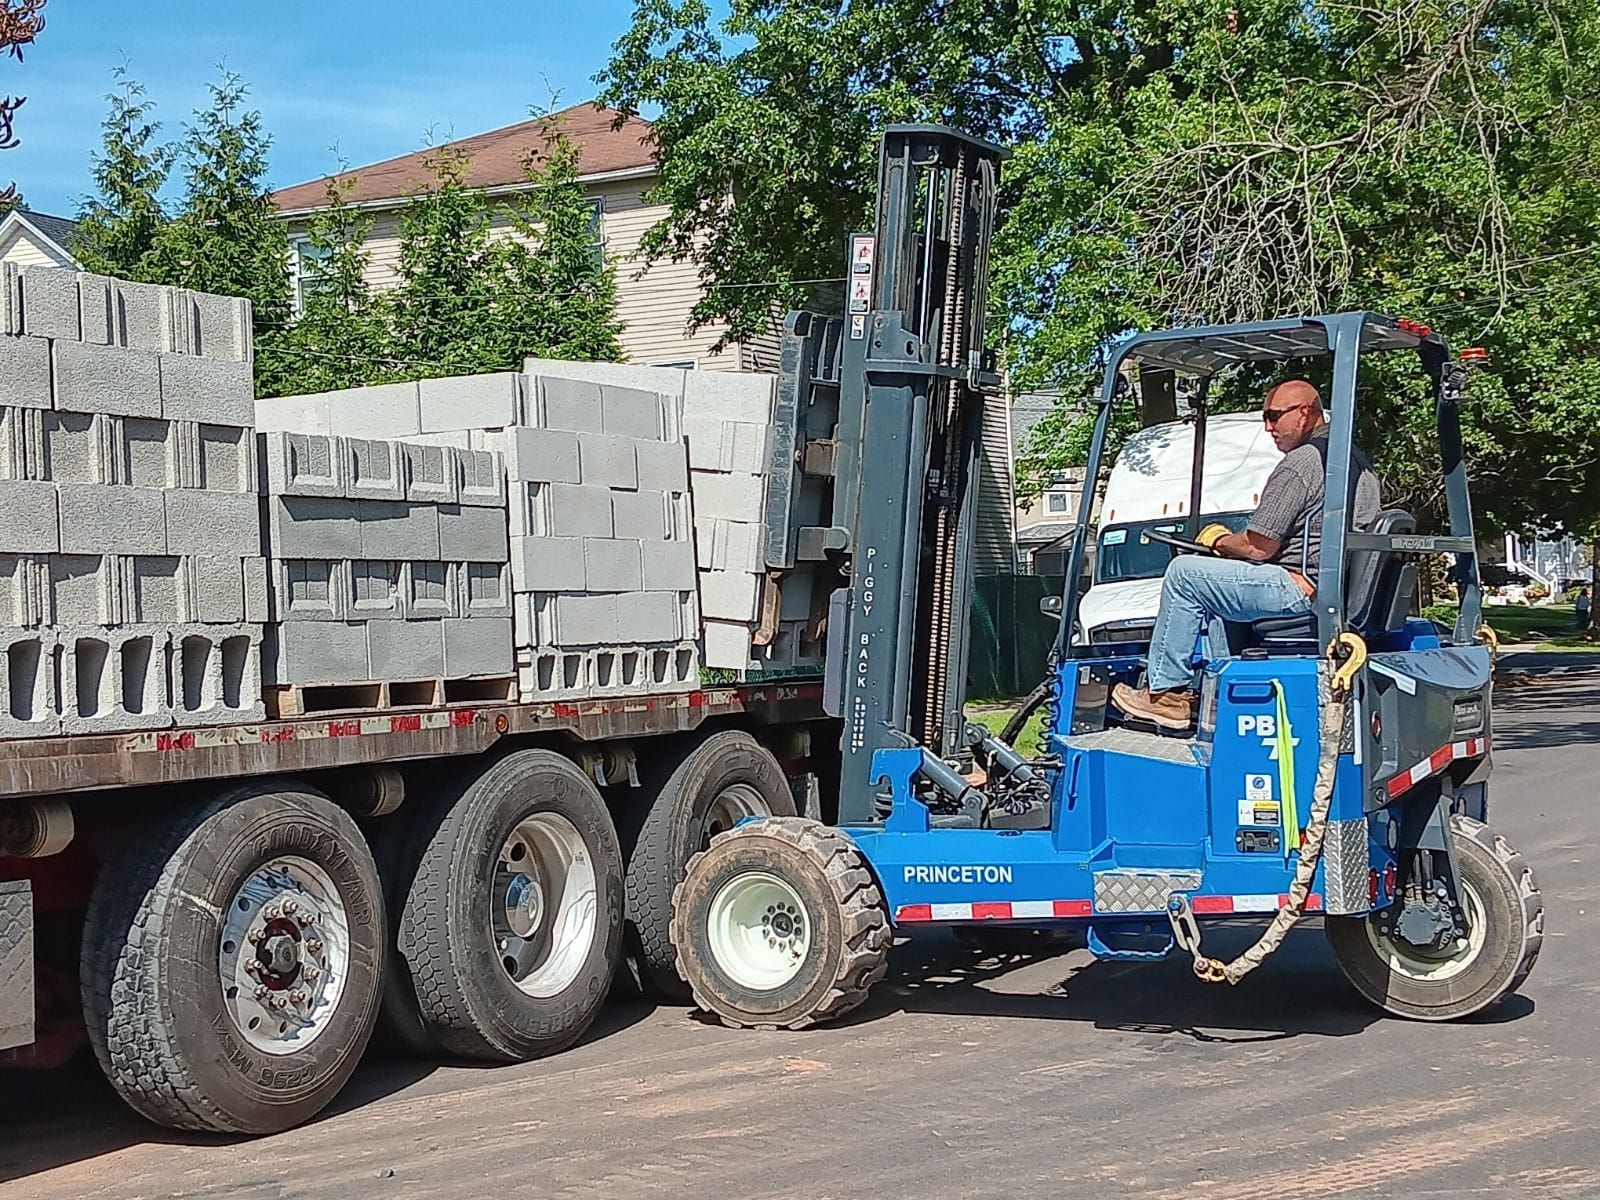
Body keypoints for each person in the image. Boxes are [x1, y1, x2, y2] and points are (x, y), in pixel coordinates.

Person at [1111, 379, 1381, 731]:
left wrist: (1220, 540)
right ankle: (1221, 699)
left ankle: (1165, 694)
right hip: (1332, 588)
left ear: (1304, 413)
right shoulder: (1356, 461)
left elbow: (1258, 545)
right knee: (1216, 599)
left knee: (1184, 574)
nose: (1268, 427)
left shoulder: (1303, 463)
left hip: (1298, 586)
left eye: (1274, 416)